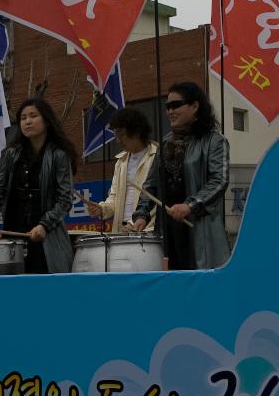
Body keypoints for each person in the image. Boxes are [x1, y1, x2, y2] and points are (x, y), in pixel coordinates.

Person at [131, 81, 230, 270]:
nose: (170, 111)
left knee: (201, 286)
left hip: (199, 229)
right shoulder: (166, 142)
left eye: (176, 105)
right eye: (167, 107)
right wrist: (142, 215)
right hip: (168, 231)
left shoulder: (215, 141)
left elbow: (219, 181)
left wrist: (190, 205)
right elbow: (151, 184)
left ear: (195, 106)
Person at [0, 97, 77, 274]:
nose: (27, 121)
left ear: (47, 121)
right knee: (11, 290)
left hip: (46, 237)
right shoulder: (12, 154)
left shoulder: (59, 155)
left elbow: (65, 199)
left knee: (44, 290)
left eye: (33, 116)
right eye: (23, 118)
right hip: (13, 233)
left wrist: (44, 225)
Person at [85, 107, 158, 232]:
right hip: (122, 232)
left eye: (121, 134)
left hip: (148, 232)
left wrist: (135, 222)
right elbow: (114, 198)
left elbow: (157, 199)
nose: (118, 141)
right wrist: (102, 209)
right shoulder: (121, 161)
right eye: (116, 135)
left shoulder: (158, 156)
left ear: (136, 131)